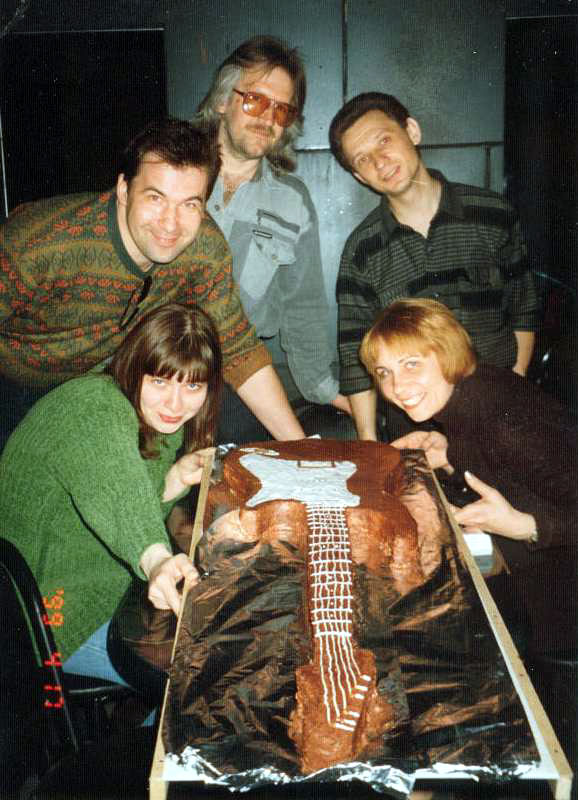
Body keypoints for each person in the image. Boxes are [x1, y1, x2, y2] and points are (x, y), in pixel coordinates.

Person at [0, 116, 304, 451]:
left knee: (235, 418)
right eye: (156, 198)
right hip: (15, 384)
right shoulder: (38, 243)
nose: (170, 224)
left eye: (189, 204)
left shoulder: (205, 249)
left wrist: (303, 450)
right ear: (123, 190)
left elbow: (238, 348)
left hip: (111, 383)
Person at [0, 302, 222, 683]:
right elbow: (119, 498)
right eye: (160, 381)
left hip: (102, 588)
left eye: (192, 386)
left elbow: (122, 491)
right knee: (201, 676)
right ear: (135, 367)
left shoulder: (152, 417)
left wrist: (172, 480)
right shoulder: (93, 408)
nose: (175, 403)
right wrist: (156, 560)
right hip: (47, 618)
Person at [328, 92, 539, 442]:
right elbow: (354, 356)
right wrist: (369, 443)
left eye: (384, 141)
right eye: (363, 159)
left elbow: (524, 309)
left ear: (411, 131)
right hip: (416, 425)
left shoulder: (492, 213)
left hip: (500, 407)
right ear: (359, 176)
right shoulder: (361, 251)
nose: (379, 162)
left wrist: (514, 392)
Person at [195, 35, 351, 442]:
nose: (269, 118)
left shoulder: (292, 201)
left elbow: (304, 306)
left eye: (282, 109)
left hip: (239, 380)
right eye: (255, 101)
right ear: (222, 100)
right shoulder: (174, 171)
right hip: (158, 366)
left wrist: (329, 392)